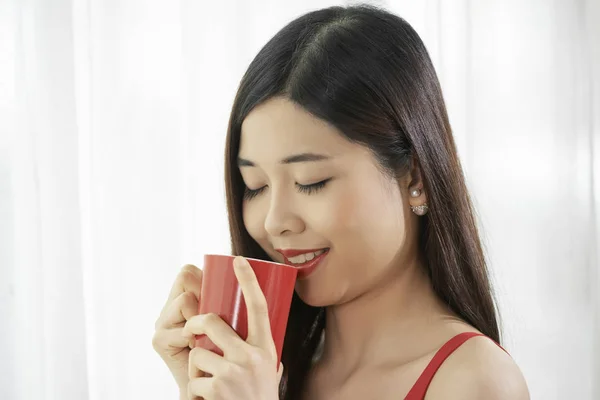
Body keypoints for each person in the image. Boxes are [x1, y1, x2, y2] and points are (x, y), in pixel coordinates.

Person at [153, 4, 530, 400]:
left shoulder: (476, 382)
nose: (274, 221)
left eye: (311, 182)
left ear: (414, 177)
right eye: (255, 186)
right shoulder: (268, 374)